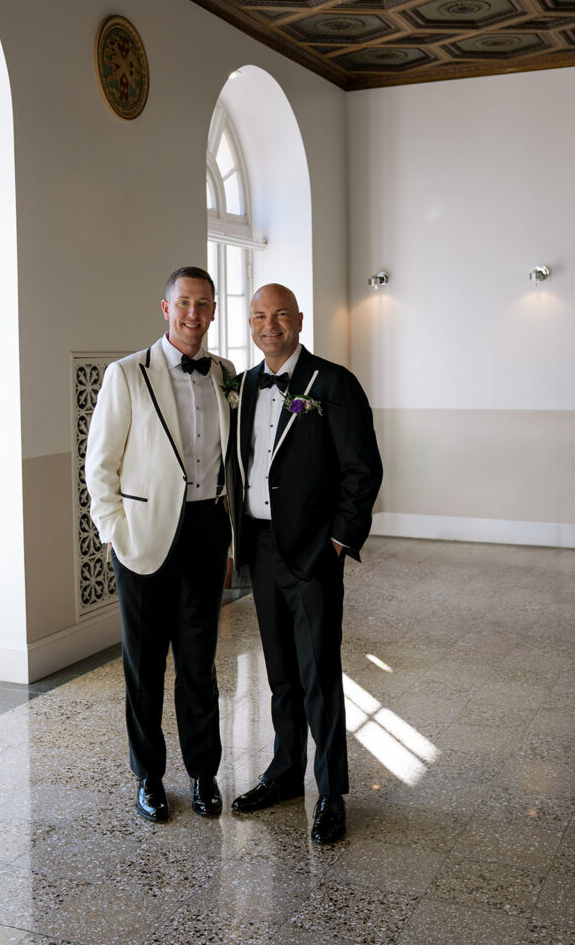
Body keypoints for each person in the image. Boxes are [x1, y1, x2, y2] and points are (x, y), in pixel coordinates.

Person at [230, 283, 382, 844]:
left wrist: (338, 543)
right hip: (262, 550)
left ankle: (332, 793)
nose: (270, 325)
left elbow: (363, 470)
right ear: (251, 324)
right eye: (259, 316)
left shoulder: (332, 383)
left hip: (315, 553)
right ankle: (284, 773)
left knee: (319, 673)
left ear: (298, 319)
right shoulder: (244, 386)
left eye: (280, 315)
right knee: (280, 675)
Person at [85, 267, 235, 823]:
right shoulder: (127, 375)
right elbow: (99, 467)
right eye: (184, 303)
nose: (193, 313)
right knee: (144, 666)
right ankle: (148, 776)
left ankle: (203, 774)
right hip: (144, 538)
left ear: (214, 311)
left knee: (200, 664)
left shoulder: (225, 373)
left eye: (204, 304)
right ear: (165, 308)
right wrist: (115, 535)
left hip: (204, 531)